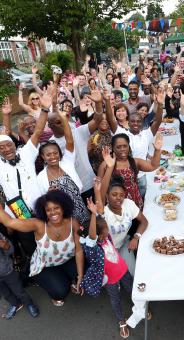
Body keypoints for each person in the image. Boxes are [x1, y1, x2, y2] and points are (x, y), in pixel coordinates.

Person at [0, 190, 84, 307]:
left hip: (67, 260)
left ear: (63, 207)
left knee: (84, 276)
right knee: (60, 291)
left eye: (56, 208)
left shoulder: (73, 223)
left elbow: (79, 250)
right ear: (44, 211)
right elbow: (10, 222)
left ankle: (69, 279)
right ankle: (50, 284)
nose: (53, 212)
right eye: (48, 210)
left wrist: (79, 276)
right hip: (45, 265)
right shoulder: (39, 224)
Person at [0, 93, 50, 256]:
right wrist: (6, 116)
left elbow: (37, 132)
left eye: (9, 145)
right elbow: (5, 134)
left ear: (14, 145)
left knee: (47, 242)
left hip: (39, 209)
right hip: (18, 214)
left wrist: (44, 109)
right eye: (2, 148)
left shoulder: (26, 153)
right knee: (30, 247)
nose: (6, 149)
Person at [80, 194, 133, 338]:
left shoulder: (105, 235)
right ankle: (121, 321)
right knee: (115, 299)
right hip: (110, 280)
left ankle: (139, 307)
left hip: (122, 269)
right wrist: (92, 215)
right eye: (103, 232)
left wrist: (96, 212)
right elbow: (92, 235)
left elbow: (100, 223)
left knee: (131, 289)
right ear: (97, 235)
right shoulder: (92, 247)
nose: (107, 232)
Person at [37, 110, 90, 225]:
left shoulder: (67, 162)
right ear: (43, 157)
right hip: (63, 221)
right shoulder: (41, 177)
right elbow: (43, 202)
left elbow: (69, 141)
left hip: (82, 211)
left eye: (55, 153)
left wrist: (64, 119)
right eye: (48, 154)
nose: (53, 157)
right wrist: (47, 194)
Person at [96, 174, 148, 276]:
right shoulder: (103, 213)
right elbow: (99, 207)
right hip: (107, 251)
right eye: (114, 194)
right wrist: (97, 191)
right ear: (107, 195)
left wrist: (136, 237)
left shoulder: (128, 204)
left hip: (123, 244)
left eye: (121, 195)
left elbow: (144, 221)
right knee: (115, 280)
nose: (118, 198)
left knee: (133, 274)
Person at [98, 134, 162, 210]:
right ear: (113, 148)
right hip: (116, 206)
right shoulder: (105, 165)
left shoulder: (134, 162)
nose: (122, 149)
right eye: (118, 147)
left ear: (129, 147)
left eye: (125, 146)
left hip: (135, 204)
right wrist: (110, 168)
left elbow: (153, 166)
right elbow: (99, 191)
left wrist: (157, 150)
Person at [0, 231, 39, 319]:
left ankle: (29, 304)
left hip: (7, 270)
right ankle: (15, 304)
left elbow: (11, 250)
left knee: (19, 291)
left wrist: (5, 246)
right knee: (5, 293)